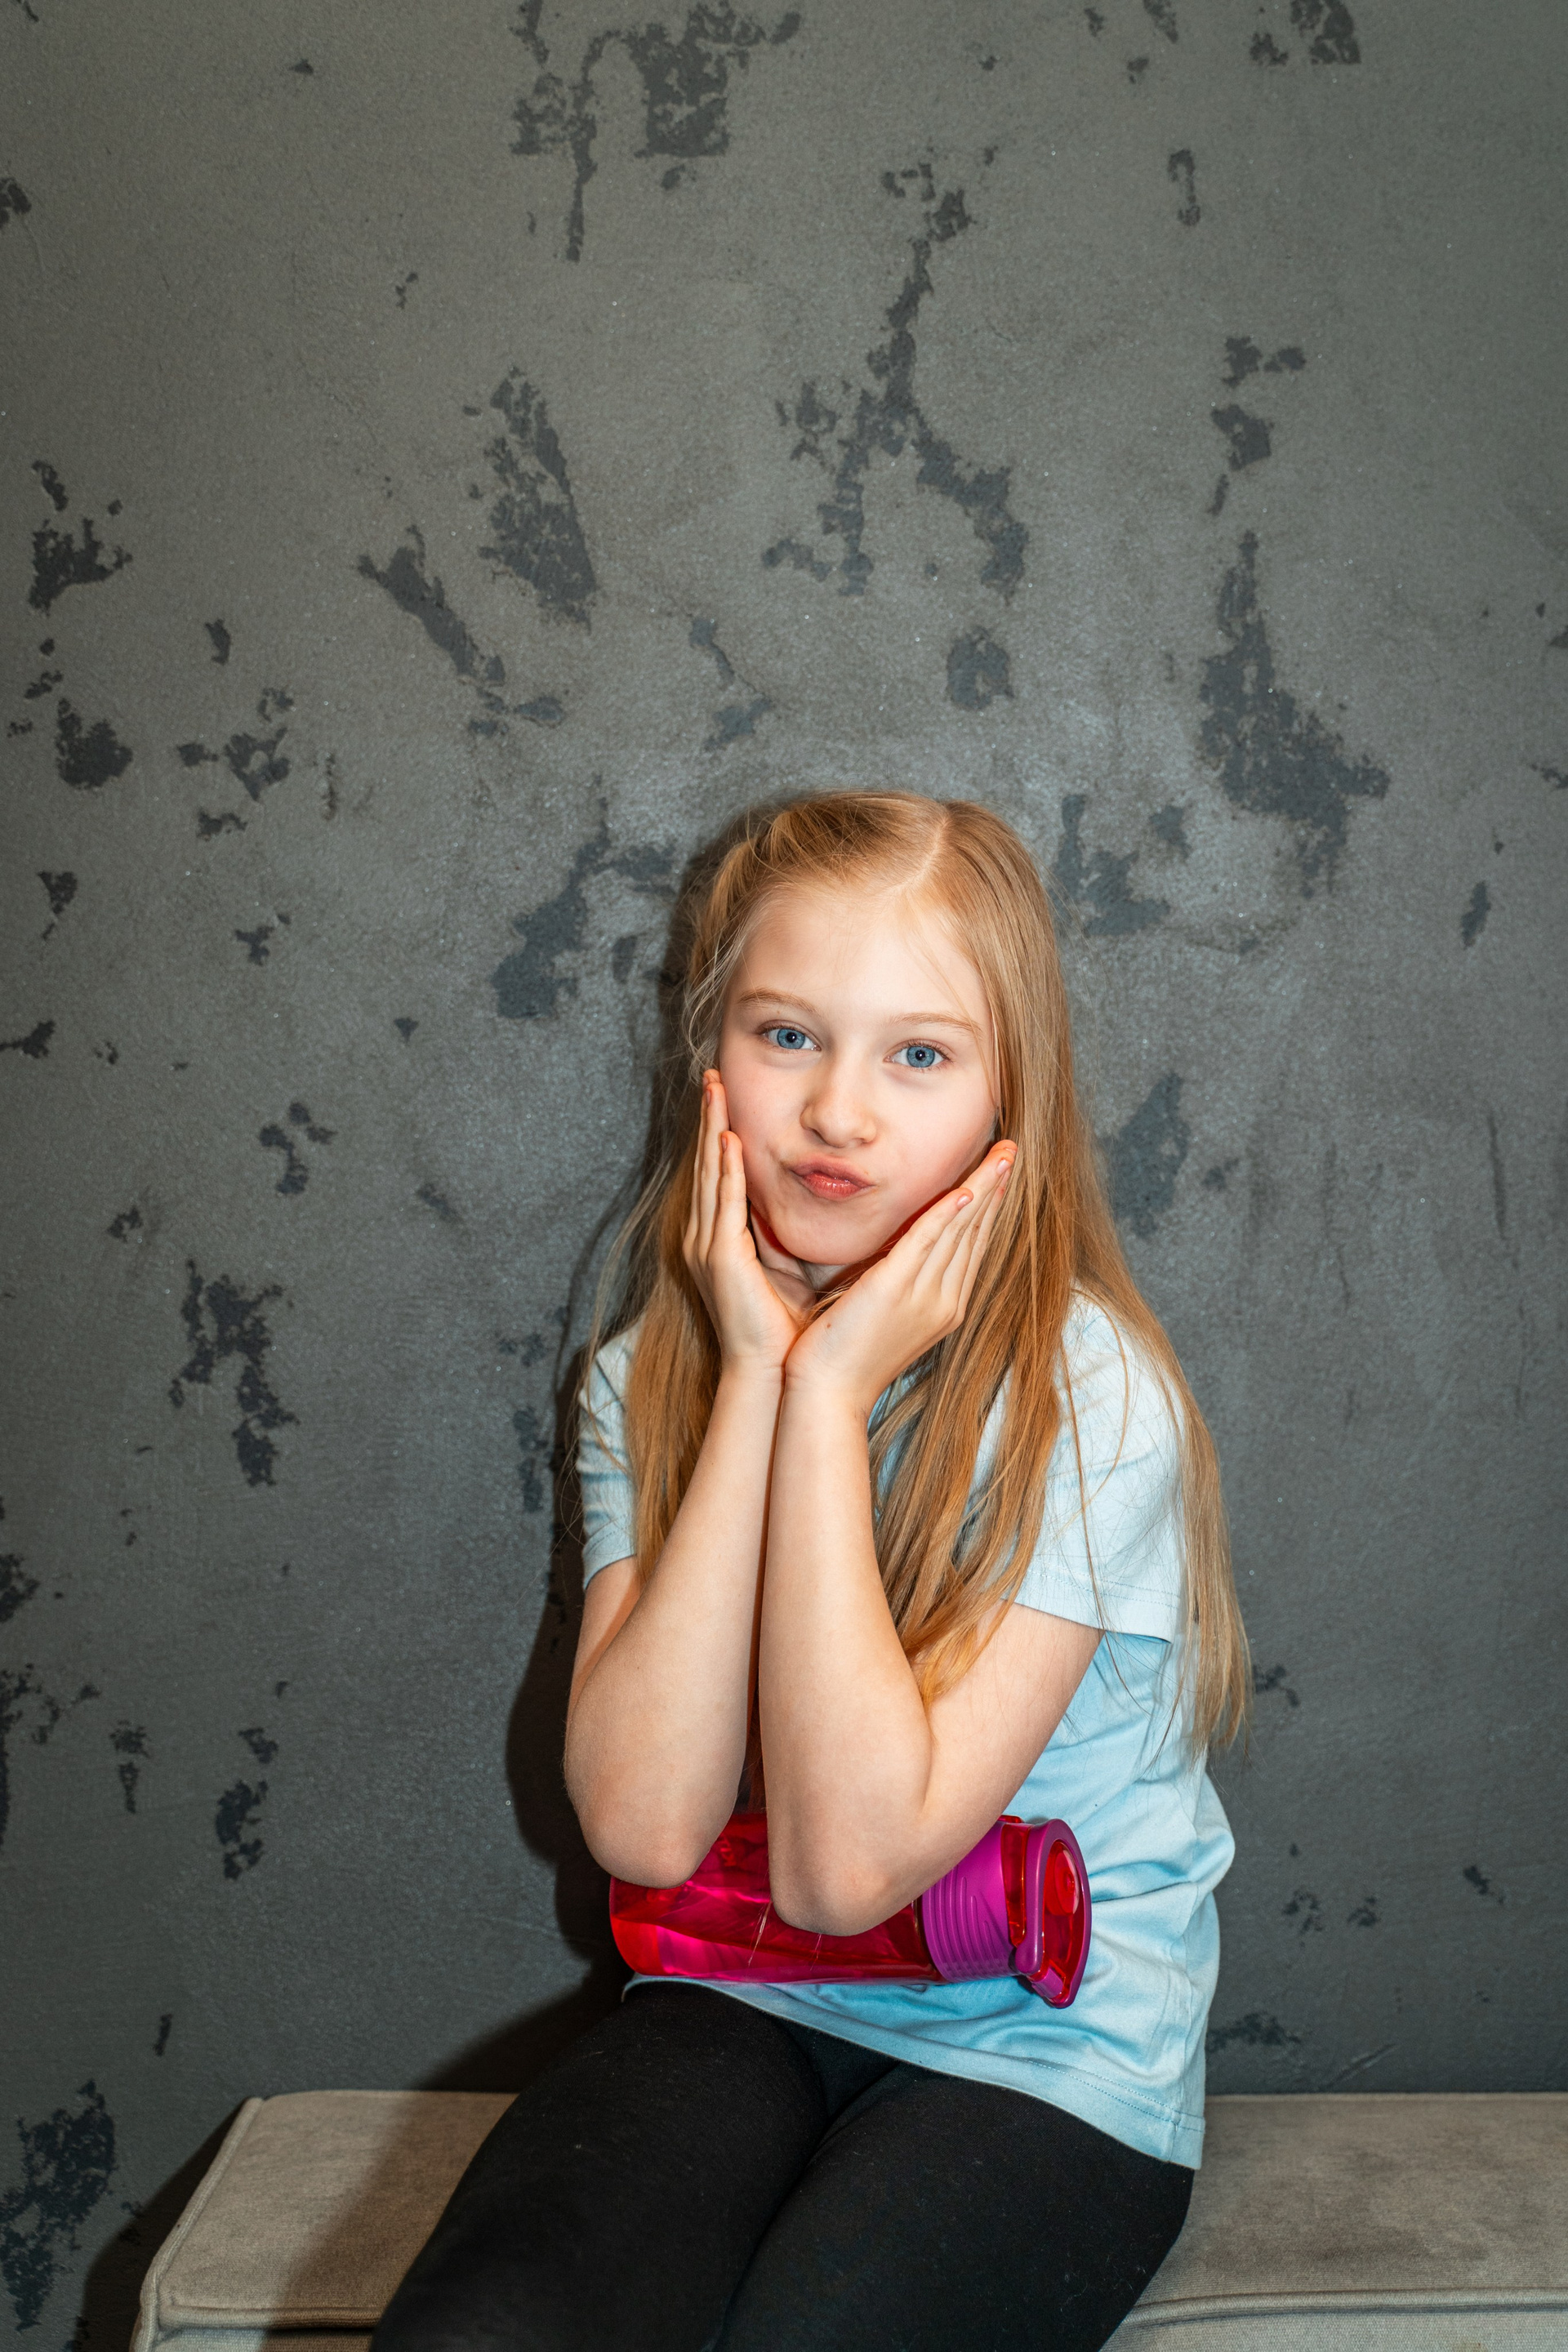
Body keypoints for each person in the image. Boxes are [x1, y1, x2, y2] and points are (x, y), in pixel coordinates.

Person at [375, 791, 1250, 2352]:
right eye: (789, 1035)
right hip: (750, 2000)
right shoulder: (646, 1377)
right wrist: (758, 1381)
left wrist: (833, 1399)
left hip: (1044, 2050)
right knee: (488, 2325)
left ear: (1012, 1099)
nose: (838, 1112)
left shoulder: (1091, 1394)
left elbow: (848, 1871)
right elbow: (646, 1827)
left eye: (919, 1055)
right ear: (710, 1059)